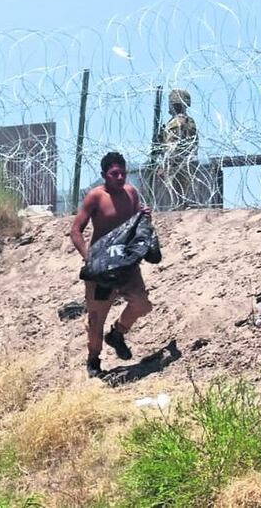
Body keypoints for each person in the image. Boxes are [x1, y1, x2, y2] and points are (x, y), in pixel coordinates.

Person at [70, 152, 154, 378]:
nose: (119, 177)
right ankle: (93, 360)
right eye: (114, 174)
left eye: (123, 173)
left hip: (126, 265)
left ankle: (117, 334)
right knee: (96, 320)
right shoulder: (95, 197)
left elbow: (136, 224)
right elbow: (75, 230)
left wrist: (145, 219)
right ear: (104, 175)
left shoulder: (131, 193)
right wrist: (89, 257)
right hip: (102, 270)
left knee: (142, 304)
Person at [153, 89, 198, 210]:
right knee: (181, 194)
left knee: (176, 195)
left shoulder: (176, 123)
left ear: (174, 104)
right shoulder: (190, 122)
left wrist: (165, 165)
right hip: (186, 161)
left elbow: (172, 146)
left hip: (176, 163)